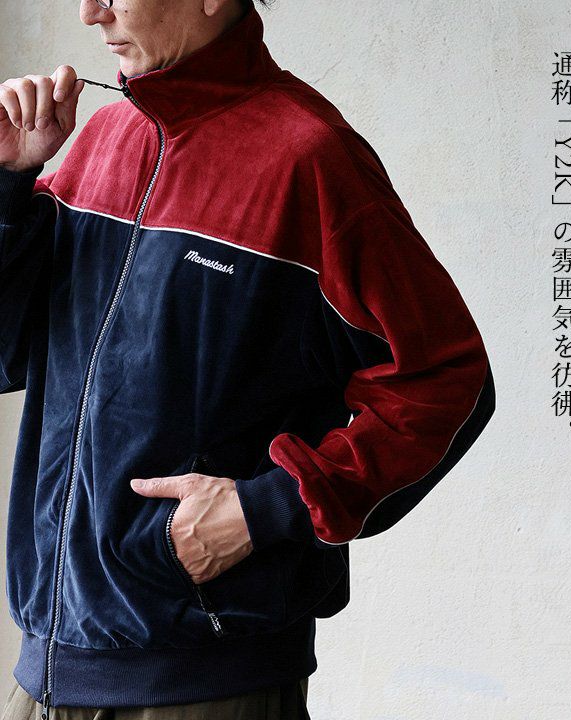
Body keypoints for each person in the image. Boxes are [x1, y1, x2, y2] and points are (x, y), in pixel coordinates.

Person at [0, 0, 496, 718]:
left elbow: (444, 379)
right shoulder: (100, 142)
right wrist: (9, 187)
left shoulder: (309, 159)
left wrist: (267, 508)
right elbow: (8, 354)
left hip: (206, 685)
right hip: (46, 670)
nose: (90, 12)